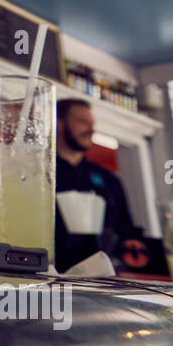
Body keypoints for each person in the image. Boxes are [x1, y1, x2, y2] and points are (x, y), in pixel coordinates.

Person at [54, 99, 146, 270]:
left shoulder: (109, 179)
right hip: (51, 278)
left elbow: (127, 230)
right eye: (82, 122)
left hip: (105, 279)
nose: (91, 129)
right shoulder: (41, 171)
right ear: (59, 123)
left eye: (92, 123)